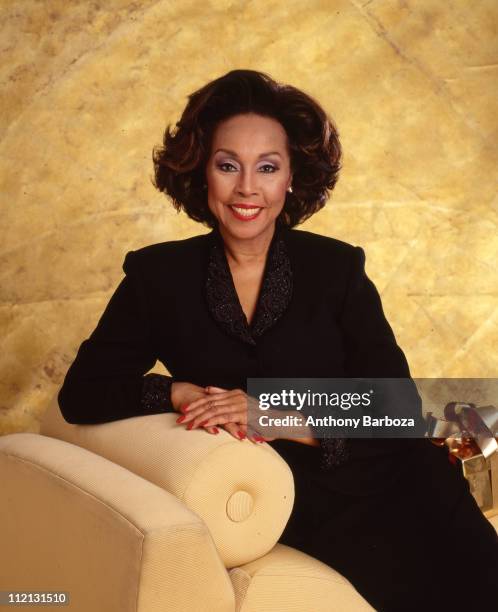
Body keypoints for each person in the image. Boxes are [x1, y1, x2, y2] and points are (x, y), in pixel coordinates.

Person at [58, 69, 498, 611]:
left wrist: (270, 414)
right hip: (283, 499)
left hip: (399, 484)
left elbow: (399, 406)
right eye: (228, 166)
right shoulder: (157, 278)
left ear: (291, 177)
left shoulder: (336, 268)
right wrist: (177, 393)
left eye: (267, 167)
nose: (247, 188)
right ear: (203, 172)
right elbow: (83, 393)